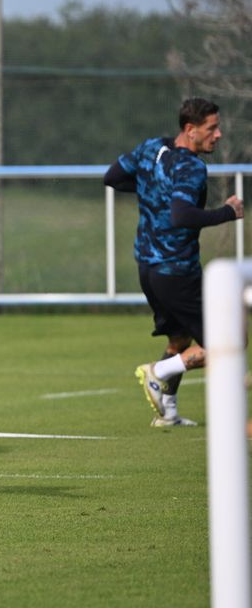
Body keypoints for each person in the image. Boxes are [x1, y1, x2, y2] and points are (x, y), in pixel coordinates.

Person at [104, 97, 243, 427]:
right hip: (176, 271)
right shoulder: (191, 167)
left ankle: (168, 413)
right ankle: (160, 371)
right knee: (231, 341)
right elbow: (182, 216)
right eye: (212, 128)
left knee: (180, 339)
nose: (219, 134)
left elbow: (112, 177)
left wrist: (148, 191)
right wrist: (228, 212)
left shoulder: (151, 147)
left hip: (148, 269)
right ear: (190, 130)